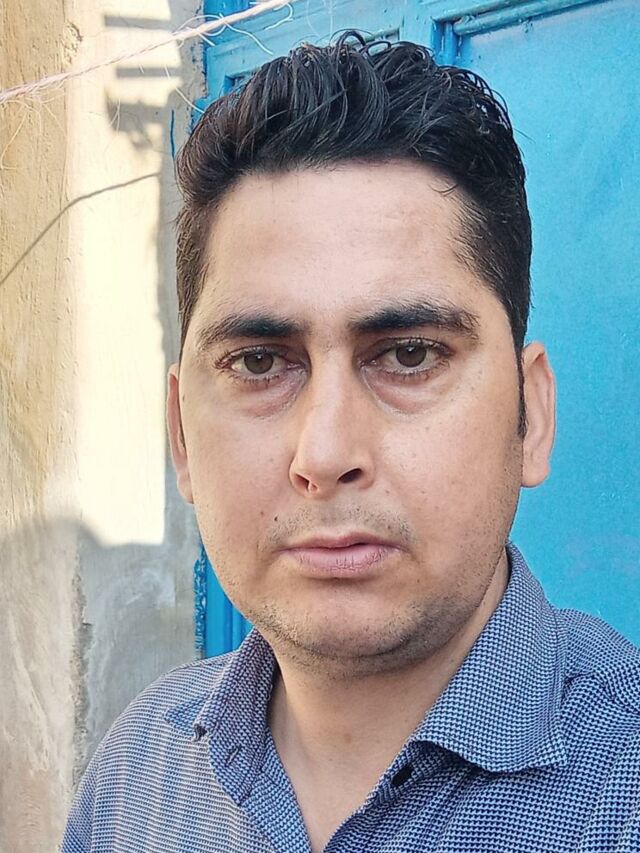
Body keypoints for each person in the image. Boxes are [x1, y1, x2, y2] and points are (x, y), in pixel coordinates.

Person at [62, 31, 640, 853]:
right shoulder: (136, 779)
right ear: (182, 433)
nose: (326, 452)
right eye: (260, 362)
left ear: (532, 415)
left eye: (409, 355)